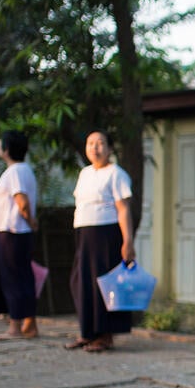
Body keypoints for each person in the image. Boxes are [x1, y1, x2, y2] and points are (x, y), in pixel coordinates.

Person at [67, 129, 136, 353]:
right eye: (90, 143)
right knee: (81, 281)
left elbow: (123, 210)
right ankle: (87, 333)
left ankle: (105, 335)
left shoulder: (116, 173)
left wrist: (128, 241)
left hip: (106, 234)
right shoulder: (85, 173)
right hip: (84, 234)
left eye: (100, 143)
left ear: (109, 148)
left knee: (103, 284)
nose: (94, 148)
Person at [0, 130, 39, 340]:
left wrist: (31, 222)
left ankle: (15, 327)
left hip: (12, 231)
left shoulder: (16, 171)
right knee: (21, 276)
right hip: (11, 231)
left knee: (13, 278)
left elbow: (22, 201)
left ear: (5, 149)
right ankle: (28, 323)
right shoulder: (20, 170)